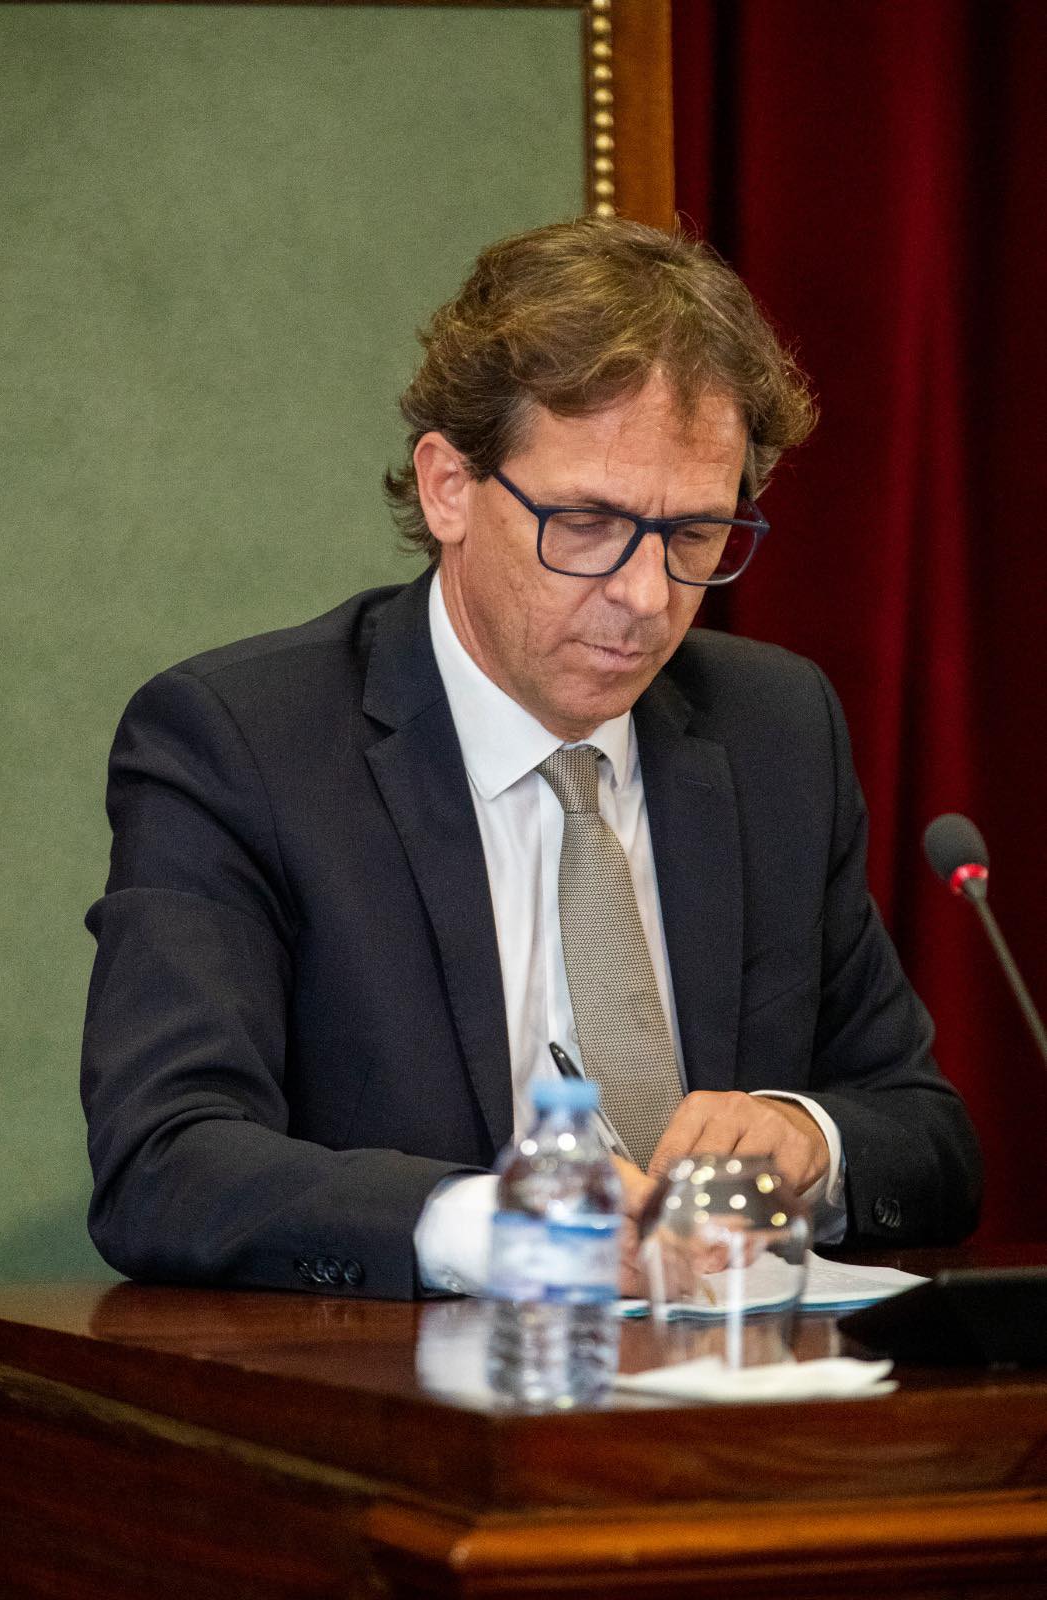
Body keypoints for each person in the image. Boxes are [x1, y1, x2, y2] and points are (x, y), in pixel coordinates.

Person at [81, 217, 982, 1300]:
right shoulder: (242, 745)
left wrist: (806, 1140)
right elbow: (164, 1160)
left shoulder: (775, 731)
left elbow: (927, 1135)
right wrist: (504, 1227)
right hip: (405, 1384)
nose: (645, 597)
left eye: (695, 535)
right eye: (588, 523)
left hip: (736, 1372)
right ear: (448, 488)